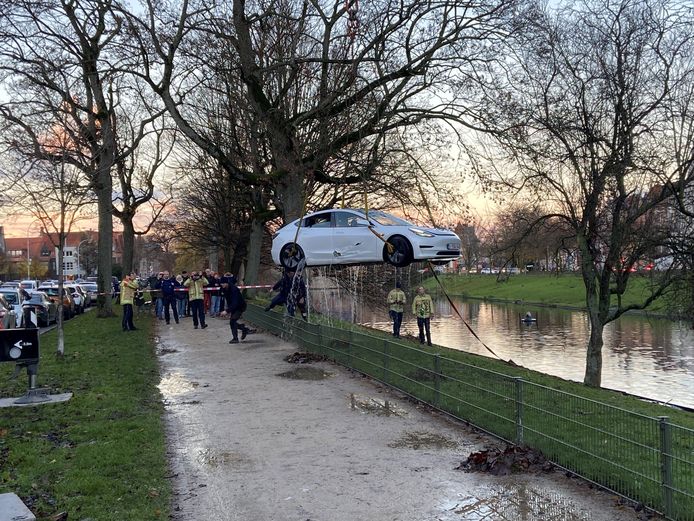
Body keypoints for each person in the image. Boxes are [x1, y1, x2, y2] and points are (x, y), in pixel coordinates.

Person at [220, 275, 252, 343]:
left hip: (240, 306)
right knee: (232, 322)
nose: (222, 285)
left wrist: (227, 311)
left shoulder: (234, 289)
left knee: (233, 320)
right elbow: (226, 299)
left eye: (223, 283)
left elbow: (235, 303)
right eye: (221, 283)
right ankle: (244, 329)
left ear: (227, 283)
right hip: (233, 306)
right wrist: (225, 309)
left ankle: (235, 338)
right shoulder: (223, 289)